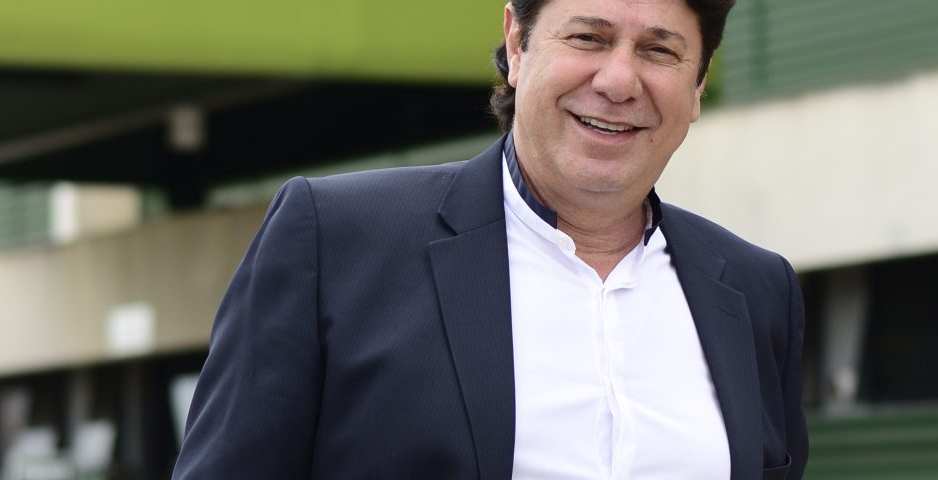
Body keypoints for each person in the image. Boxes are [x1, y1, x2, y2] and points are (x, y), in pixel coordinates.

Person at [172, 0, 808, 478]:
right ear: (518, 44)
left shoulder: (756, 290)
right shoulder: (335, 239)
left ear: (698, 84)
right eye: (588, 38)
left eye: (659, 51)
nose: (618, 81)